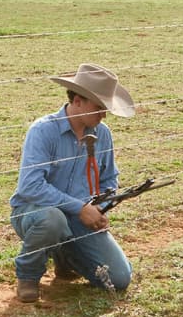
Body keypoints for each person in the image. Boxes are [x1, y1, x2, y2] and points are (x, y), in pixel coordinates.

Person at [9, 63, 135, 303]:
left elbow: (109, 178)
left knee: (119, 278)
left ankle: (66, 257)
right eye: (99, 108)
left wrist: (99, 208)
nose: (104, 115)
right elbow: (30, 187)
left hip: (81, 217)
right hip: (36, 212)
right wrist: (79, 207)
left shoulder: (103, 133)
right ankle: (28, 275)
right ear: (78, 101)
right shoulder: (43, 131)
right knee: (52, 220)